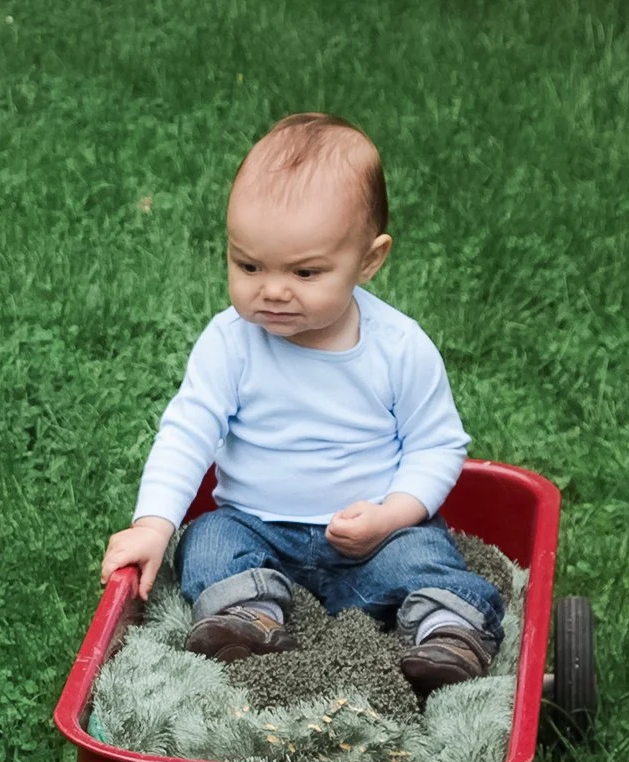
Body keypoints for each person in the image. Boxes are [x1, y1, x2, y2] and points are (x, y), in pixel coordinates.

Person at [100, 114, 501, 697]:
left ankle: (445, 632)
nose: (274, 290)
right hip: (258, 530)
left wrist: (391, 515)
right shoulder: (231, 342)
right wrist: (153, 524)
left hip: (370, 543)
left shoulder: (397, 348)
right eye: (249, 266)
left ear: (369, 260)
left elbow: (436, 444)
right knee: (207, 538)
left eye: (306, 271)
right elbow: (187, 431)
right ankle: (251, 616)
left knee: (422, 552)